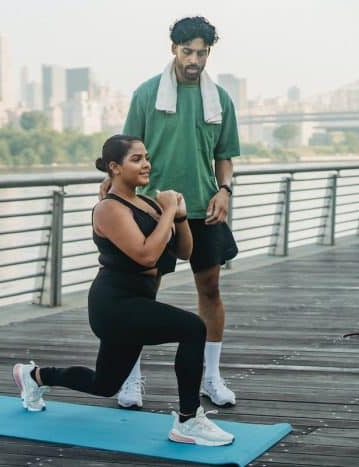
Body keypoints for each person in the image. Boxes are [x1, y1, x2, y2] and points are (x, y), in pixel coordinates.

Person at [12, 134, 234, 446]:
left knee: (105, 384)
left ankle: (33, 377)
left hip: (136, 302)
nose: (146, 164)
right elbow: (145, 254)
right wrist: (168, 212)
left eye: (146, 157)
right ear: (115, 167)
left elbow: (183, 252)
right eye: (136, 159)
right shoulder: (108, 209)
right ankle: (187, 420)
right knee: (193, 329)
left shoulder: (145, 202)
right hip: (114, 305)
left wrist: (180, 215)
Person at [101, 16, 240, 409]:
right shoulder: (147, 94)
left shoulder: (221, 99)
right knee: (142, 296)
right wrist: (112, 194)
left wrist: (224, 190)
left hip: (203, 208)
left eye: (202, 52)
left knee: (210, 290)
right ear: (173, 49)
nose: (194, 60)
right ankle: (130, 379)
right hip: (152, 208)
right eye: (187, 51)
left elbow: (224, 156)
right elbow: (124, 150)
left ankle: (211, 378)